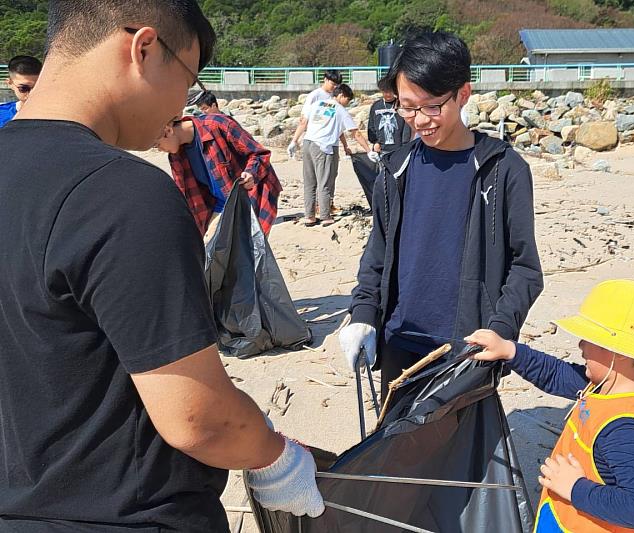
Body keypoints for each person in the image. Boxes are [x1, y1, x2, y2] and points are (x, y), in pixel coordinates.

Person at [0, 2, 322, 531]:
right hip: (127, 515)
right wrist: (278, 458)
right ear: (144, 48)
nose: (182, 105)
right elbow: (198, 418)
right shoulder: (120, 194)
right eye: (188, 80)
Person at [338, 31, 543, 402]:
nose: (419, 120)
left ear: (463, 94)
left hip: (468, 347)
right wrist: (364, 314)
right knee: (396, 455)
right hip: (400, 340)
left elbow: (525, 268)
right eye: (407, 107)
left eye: (432, 107)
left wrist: (499, 331)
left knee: (459, 456)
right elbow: (378, 253)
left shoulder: (503, 169)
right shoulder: (395, 168)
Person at [466, 279, 634, 532]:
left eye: (589, 338)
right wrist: (509, 350)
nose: (581, 345)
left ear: (620, 351)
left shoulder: (625, 430)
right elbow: (555, 374)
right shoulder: (608, 384)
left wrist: (575, 488)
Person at [155, 112, 282, 243]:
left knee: (251, 252)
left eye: (157, 144)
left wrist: (251, 173)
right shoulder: (176, 155)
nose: (159, 149)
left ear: (168, 131)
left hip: (251, 199)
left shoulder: (217, 124)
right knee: (210, 249)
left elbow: (259, 154)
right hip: (219, 205)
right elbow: (185, 194)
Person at [290, 83, 373, 227]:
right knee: (325, 182)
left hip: (308, 144)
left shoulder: (318, 104)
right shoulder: (340, 110)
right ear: (341, 96)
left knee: (310, 182)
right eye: (348, 100)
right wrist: (368, 150)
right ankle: (325, 216)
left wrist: (294, 141)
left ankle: (309, 216)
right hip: (324, 147)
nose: (348, 103)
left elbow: (304, 122)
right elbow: (355, 133)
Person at [367, 76, 412, 156]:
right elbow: (371, 126)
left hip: (399, 148)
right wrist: (375, 142)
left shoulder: (401, 104)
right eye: (385, 91)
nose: (387, 94)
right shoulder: (376, 106)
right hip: (381, 149)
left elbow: (407, 126)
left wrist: (405, 145)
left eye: (390, 91)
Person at [0, 55, 42, 127]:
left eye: (37, 87)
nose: (31, 93)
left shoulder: (58, 114)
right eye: (24, 88)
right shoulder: (2, 114)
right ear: (10, 83)